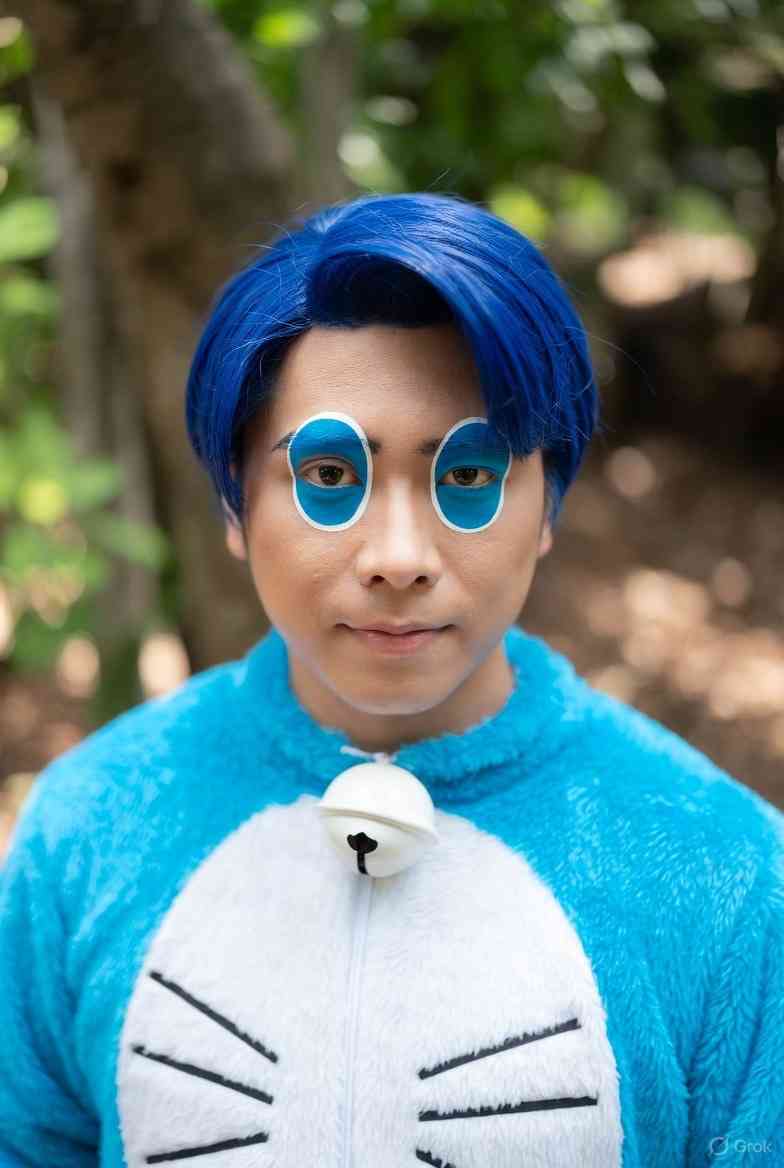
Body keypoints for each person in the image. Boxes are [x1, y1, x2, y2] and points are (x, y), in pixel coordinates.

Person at [1, 192, 782, 1167]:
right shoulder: (90, 824)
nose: (400, 557)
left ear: (547, 505)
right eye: (330, 477)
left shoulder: (727, 873)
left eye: (469, 476)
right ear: (235, 505)